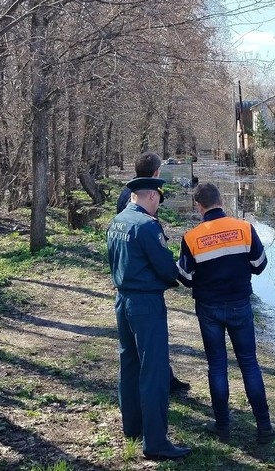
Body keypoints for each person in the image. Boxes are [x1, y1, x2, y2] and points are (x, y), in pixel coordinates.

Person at [177, 182, 275, 444]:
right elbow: (259, 265)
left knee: (217, 366)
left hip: (209, 308)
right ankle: (264, 426)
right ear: (221, 201)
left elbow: (186, 278)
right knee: (249, 364)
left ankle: (222, 426)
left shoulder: (191, 238)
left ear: (199, 207)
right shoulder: (244, 228)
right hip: (239, 304)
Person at [107, 177, 190, 461]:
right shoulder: (146, 226)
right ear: (152, 197)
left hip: (123, 299)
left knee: (128, 364)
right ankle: (155, 442)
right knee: (153, 371)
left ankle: (132, 428)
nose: (157, 208)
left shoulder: (117, 221)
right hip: (146, 304)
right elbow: (167, 269)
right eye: (158, 201)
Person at [116, 152, 191, 394]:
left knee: (138, 346)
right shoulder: (142, 198)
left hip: (129, 278)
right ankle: (159, 388)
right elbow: (145, 236)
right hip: (143, 284)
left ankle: (165, 379)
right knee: (148, 345)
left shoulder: (127, 193)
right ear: (157, 172)